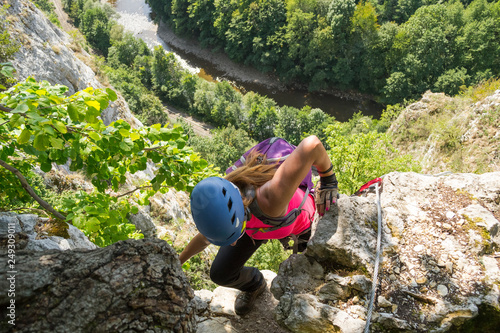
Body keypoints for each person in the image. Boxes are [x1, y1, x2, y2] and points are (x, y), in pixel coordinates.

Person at [179, 135, 338, 316]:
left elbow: (311, 145)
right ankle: (255, 286)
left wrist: (328, 179)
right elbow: (205, 238)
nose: (232, 244)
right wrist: (178, 262)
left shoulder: (272, 198)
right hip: (257, 225)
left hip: (301, 227)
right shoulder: (225, 203)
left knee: (311, 288)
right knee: (221, 274)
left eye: (232, 237)